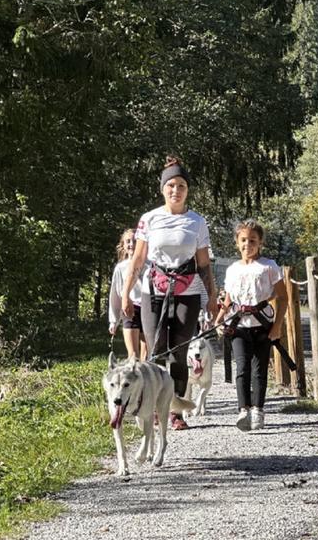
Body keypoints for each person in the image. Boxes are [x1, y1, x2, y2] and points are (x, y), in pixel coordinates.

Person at [122, 156, 218, 431]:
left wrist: (210, 296)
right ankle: (152, 406)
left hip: (186, 290)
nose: (176, 191)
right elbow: (138, 260)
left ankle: (175, 411)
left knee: (179, 352)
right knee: (155, 349)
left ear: (188, 190)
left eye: (182, 186)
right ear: (163, 188)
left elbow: (203, 264)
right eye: (171, 186)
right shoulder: (149, 219)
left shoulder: (197, 222)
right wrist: (128, 293)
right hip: (153, 289)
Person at [215, 219, 287, 432]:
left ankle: (258, 409)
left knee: (259, 369)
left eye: (253, 240)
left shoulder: (268, 267)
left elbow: (283, 298)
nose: (248, 244)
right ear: (237, 242)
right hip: (239, 325)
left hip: (262, 325)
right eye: (244, 240)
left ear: (260, 242)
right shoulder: (232, 269)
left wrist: (277, 326)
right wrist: (219, 319)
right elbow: (228, 300)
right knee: (242, 367)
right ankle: (243, 409)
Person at [108, 229, 147, 360]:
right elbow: (115, 294)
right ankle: (135, 377)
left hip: (148, 309)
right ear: (123, 245)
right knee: (133, 356)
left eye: (135, 241)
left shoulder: (150, 265)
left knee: (146, 356)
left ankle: (146, 379)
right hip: (130, 309)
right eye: (128, 241)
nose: (132, 244)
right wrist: (113, 321)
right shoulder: (121, 268)